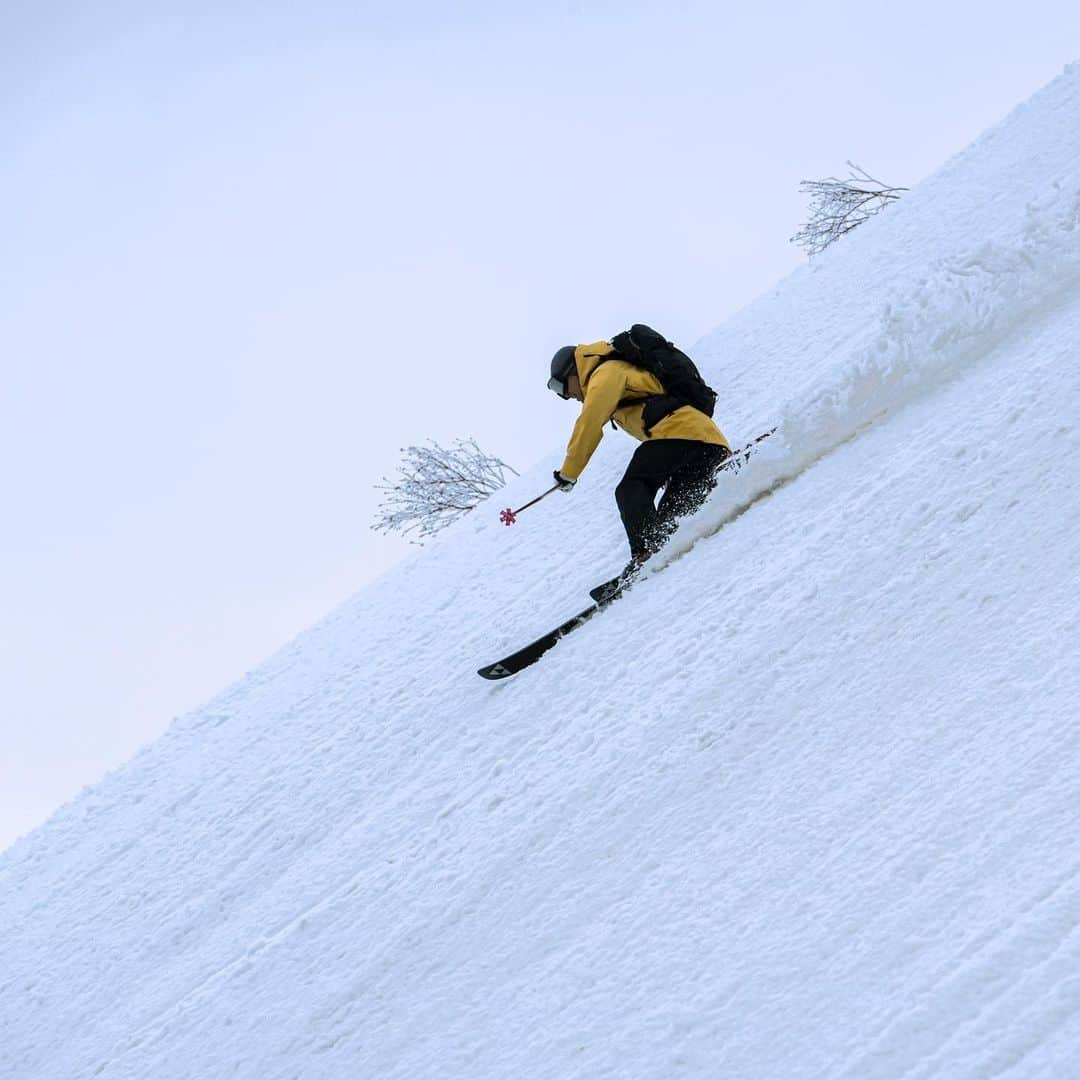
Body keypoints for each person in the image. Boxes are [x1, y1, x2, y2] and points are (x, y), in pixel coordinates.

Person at [548, 339, 731, 598]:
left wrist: (568, 473)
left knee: (630, 489)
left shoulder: (605, 373)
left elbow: (590, 422)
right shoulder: (616, 373)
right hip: (704, 444)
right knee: (672, 526)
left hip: (686, 434)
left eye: (560, 387)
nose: (566, 396)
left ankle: (646, 553)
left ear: (573, 371)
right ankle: (734, 477)